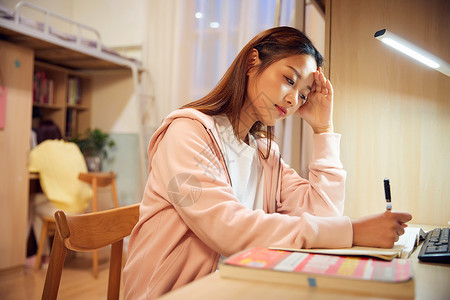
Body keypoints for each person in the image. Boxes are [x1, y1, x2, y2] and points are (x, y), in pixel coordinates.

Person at [123, 26, 412, 299]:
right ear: (252, 62)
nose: (293, 100)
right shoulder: (186, 132)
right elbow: (228, 229)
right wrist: (353, 231)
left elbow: (326, 214)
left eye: (302, 94)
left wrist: (323, 129)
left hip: (236, 286)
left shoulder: (265, 154)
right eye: (289, 80)